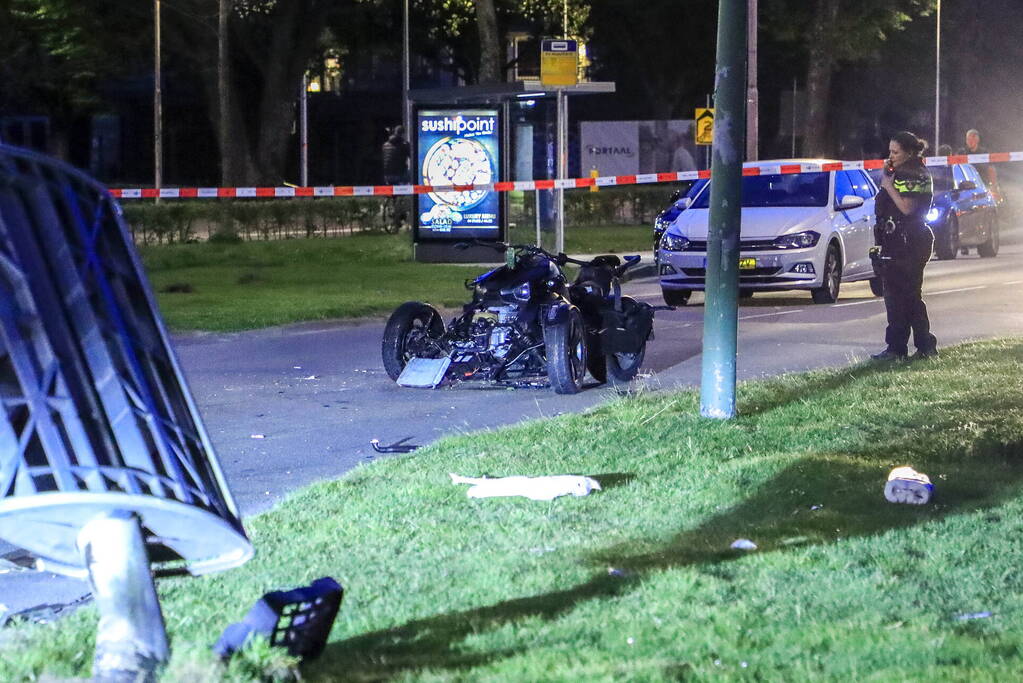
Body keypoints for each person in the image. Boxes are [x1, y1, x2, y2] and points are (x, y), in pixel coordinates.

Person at [870, 131, 937, 361]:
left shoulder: (912, 173)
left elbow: (907, 208)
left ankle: (919, 346)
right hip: (899, 240)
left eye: (895, 152)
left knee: (906, 296)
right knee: (897, 296)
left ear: (908, 152)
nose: (891, 156)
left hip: (909, 241)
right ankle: (902, 347)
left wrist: (888, 185)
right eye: (890, 151)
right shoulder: (905, 171)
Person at [958, 128, 999, 193]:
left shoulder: (984, 152)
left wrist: (993, 185)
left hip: (982, 184)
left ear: (977, 140)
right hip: (966, 185)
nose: (969, 142)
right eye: (968, 139)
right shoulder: (962, 153)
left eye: (971, 139)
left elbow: (991, 169)